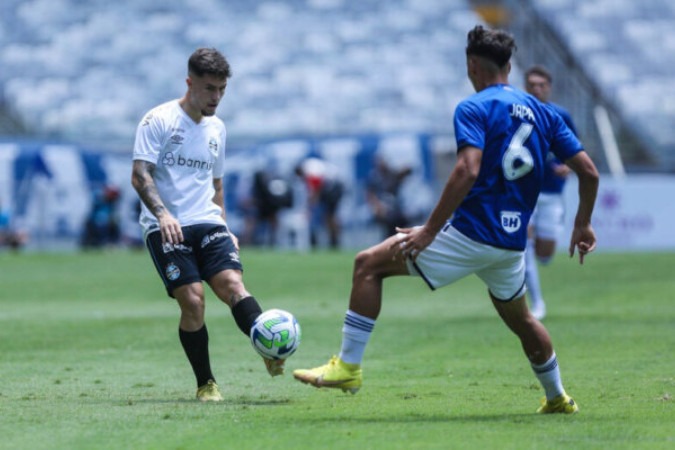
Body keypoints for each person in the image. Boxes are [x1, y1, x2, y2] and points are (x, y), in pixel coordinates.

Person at [293, 25, 599, 414]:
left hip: (470, 233)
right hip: (509, 245)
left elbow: (466, 170)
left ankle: (348, 367)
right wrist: (583, 223)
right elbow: (589, 173)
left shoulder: (474, 107)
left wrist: (429, 231)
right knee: (521, 319)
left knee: (367, 265)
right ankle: (557, 397)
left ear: (472, 66)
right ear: (509, 65)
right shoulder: (546, 113)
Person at [131, 47, 283, 403]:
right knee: (194, 301)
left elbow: (217, 185)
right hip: (167, 225)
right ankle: (206, 383)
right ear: (190, 83)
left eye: (222, 90)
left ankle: (268, 348)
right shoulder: (158, 120)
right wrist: (163, 214)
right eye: (210, 88)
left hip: (208, 220)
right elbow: (140, 175)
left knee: (233, 285)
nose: (216, 97)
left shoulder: (217, 129)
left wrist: (225, 226)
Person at [523, 65, 579, 320]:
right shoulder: (518, 114)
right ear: (525, 87)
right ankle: (537, 304)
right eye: (532, 85)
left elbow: (574, 151)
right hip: (524, 192)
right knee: (524, 246)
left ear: (549, 87)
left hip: (552, 193)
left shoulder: (561, 115)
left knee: (544, 255)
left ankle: (533, 259)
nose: (537, 89)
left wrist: (567, 167)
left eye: (541, 85)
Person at [294, 157, 344, 249]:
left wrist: (310, 206)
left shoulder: (310, 169)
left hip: (334, 186)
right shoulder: (309, 166)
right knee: (327, 216)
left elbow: (316, 189)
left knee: (330, 215)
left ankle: (335, 240)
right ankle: (333, 239)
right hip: (331, 186)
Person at [365, 156, 413, 239]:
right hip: (382, 208)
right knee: (389, 223)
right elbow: (370, 195)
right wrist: (377, 206)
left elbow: (406, 171)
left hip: (395, 208)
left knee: (402, 220)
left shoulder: (392, 175)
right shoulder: (375, 178)